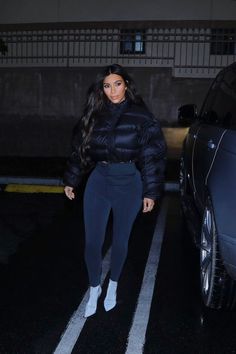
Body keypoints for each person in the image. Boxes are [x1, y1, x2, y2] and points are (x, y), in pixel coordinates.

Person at [63, 64, 166, 318]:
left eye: (117, 84)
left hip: (129, 182)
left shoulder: (141, 116)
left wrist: (151, 192)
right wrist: (72, 179)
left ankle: (113, 286)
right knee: (92, 243)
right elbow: (80, 150)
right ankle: (95, 287)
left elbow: (152, 155)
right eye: (107, 86)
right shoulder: (93, 114)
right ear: (101, 89)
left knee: (120, 240)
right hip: (99, 180)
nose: (113, 91)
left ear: (126, 85)